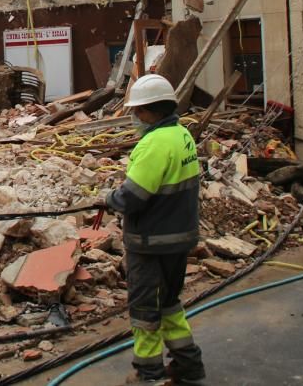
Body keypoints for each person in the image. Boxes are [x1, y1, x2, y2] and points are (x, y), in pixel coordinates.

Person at [100, 73, 206, 384]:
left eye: (137, 111)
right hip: (179, 237)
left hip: (150, 242)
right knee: (170, 304)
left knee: (145, 312)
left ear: (149, 111)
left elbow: (133, 196)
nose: (134, 117)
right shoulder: (182, 135)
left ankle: (149, 375)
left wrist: (109, 199)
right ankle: (189, 366)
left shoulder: (154, 144)